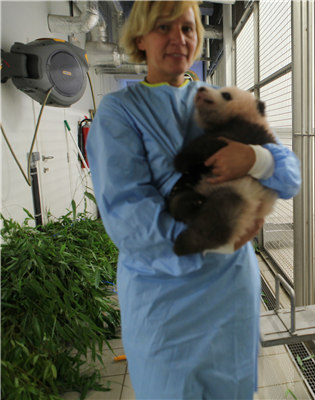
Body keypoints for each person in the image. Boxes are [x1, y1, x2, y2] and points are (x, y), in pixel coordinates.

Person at [86, 1, 301, 398]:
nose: (178, 39)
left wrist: (254, 157)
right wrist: (218, 239)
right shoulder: (120, 112)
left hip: (231, 293)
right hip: (167, 299)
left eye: (186, 28)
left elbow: (290, 174)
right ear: (140, 38)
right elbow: (128, 217)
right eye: (163, 28)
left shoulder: (219, 98)